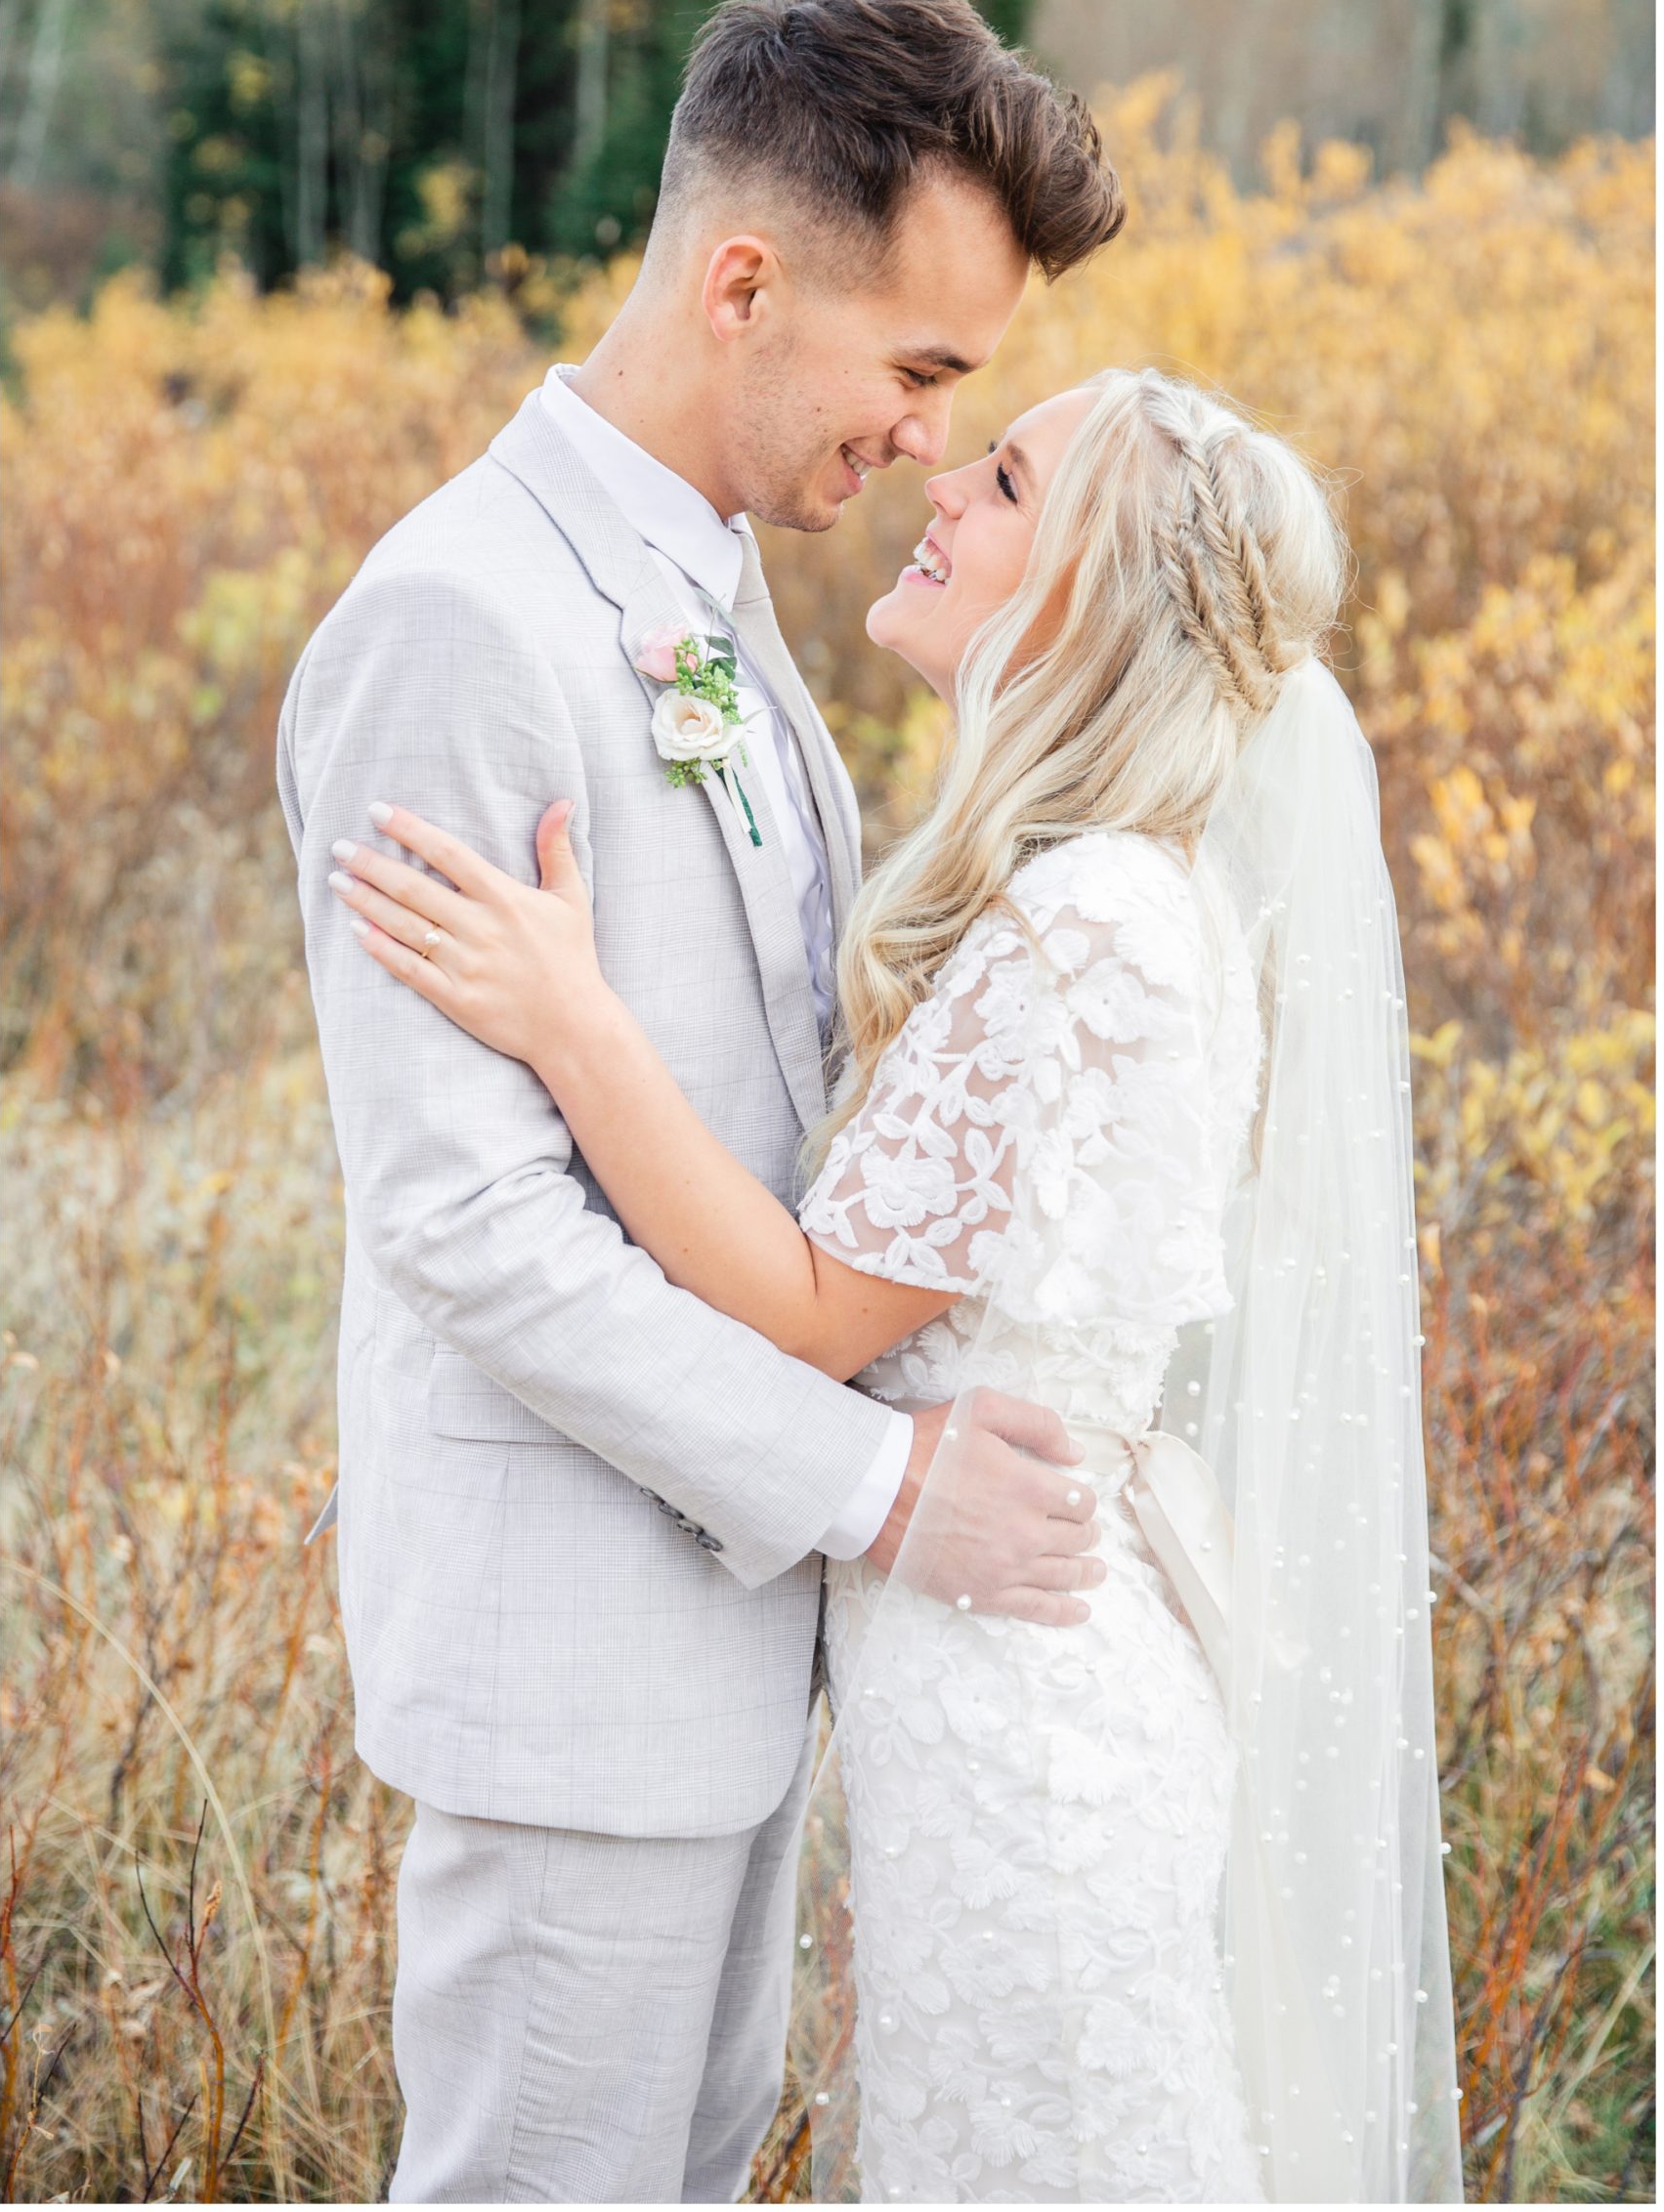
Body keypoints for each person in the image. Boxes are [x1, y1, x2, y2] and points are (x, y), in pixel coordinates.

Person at [331, 366, 1464, 2203]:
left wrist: (569, 1019)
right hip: (993, 1662)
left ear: (1090, 595)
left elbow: (808, 1307)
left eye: (1007, 478)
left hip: (1027, 1712)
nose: (941, 478)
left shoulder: (1090, 917)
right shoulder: (1115, 890)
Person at [277, 0, 1125, 2204]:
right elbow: (465, 1225)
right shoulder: (460, 620)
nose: (935, 441)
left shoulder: (717, 593)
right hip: (575, 1658)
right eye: (921, 370)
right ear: (742, 279)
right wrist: (873, 1484)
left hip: (738, 1658)